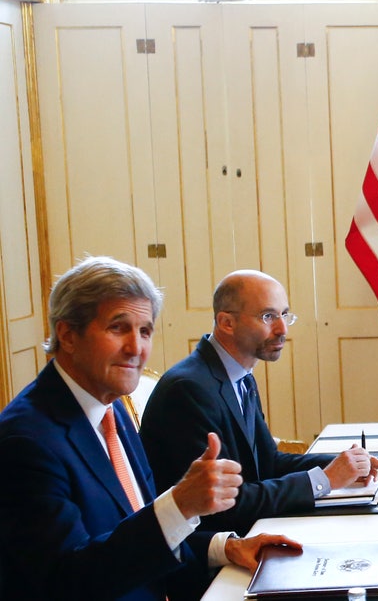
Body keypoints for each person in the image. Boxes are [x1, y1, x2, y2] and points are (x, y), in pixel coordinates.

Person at [0, 256, 299, 601]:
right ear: (67, 334)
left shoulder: (113, 412)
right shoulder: (26, 440)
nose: (136, 349)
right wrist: (180, 505)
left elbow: (137, 532)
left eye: (144, 331)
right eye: (117, 328)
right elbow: (68, 580)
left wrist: (226, 547)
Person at [141, 270, 378, 535]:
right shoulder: (189, 390)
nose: (283, 330)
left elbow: (267, 463)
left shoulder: (239, 377)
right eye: (268, 316)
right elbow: (223, 506)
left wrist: (342, 465)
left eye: (285, 314)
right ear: (226, 323)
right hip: (206, 555)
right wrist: (325, 479)